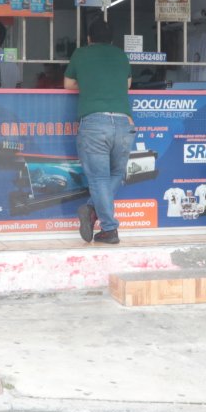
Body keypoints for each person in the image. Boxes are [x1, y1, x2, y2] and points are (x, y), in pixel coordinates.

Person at [64, 18, 133, 245]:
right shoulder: (121, 56)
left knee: (99, 178)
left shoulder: (81, 54)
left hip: (94, 122)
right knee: (117, 174)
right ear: (112, 39)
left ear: (89, 38)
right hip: (123, 122)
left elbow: (68, 85)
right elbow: (128, 84)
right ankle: (91, 211)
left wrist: (89, 82)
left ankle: (109, 228)